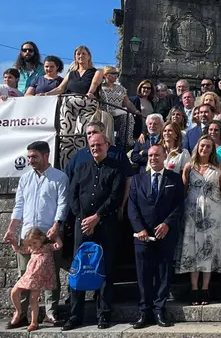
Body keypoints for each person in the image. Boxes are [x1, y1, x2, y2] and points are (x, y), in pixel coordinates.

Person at [63, 133, 126, 331]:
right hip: (83, 226)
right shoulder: (81, 169)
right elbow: (72, 196)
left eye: (99, 144)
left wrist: (96, 217)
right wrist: (83, 219)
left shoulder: (115, 170)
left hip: (106, 225)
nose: (96, 148)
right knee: (78, 269)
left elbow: (115, 197)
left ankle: (103, 315)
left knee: (105, 270)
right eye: (92, 145)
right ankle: (75, 316)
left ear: (107, 145)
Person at [3, 141, 68, 328]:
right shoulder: (25, 179)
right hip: (28, 235)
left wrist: (57, 225)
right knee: (24, 274)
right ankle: (22, 313)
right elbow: (19, 206)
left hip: (48, 234)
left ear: (46, 156)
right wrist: (11, 228)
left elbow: (63, 204)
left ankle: (50, 312)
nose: (30, 160)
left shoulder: (59, 177)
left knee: (50, 275)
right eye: (29, 157)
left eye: (34, 157)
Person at [128, 145, 184, 329]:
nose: (153, 158)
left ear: (164, 156)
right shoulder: (137, 179)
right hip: (142, 236)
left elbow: (179, 206)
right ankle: (144, 312)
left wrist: (167, 223)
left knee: (163, 272)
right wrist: (140, 228)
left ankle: (160, 310)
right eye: (150, 155)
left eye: (156, 155)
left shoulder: (174, 179)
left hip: (166, 234)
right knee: (143, 274)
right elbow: (132, 207)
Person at [176, 136, 221, 305]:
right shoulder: (189, 167)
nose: (205, 149)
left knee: (208, 248)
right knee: (192, 249)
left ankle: (205, 288)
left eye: (208, 146)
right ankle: (193, 288)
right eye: (202, 145)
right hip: (192, 211)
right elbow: (183, 189)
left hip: (213, 212)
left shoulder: (218, 167)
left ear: (213, 149)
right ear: (197, 147)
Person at [42, 46, 104, 168]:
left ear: (89, 56)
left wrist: (90, 92)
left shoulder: (97, 72)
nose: (81, 56)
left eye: (83, 54)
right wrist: (46, 94)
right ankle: (66, 167)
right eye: (78, 54)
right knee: (65, 137)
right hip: (69, 105)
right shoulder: (71, 74)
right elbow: (60, 88)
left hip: (86, 103)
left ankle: (83, 166)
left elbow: (94, 84)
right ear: (75, 57)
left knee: (81, 136)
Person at [6, 227, 63, 331]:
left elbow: (59, 245)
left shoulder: (47, 247)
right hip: (29, 275)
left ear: (41, 239)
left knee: (33, 300)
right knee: (14, 292)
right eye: (30, 244)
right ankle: (18, 311)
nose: (33, 246)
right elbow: (19, 250)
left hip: (39, 277)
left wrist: (56, 236)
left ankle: (34, 322)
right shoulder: (32, 249)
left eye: (34, 243)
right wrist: (14, 243)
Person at [99, 66, 141, 148]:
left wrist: (136, 111)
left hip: (118, 114)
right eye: (113, 73)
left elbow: (127, 102)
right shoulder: (100, 88)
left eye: (116, 74)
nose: (116, 76)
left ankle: (126, 142)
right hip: (104, 115)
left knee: (128, 116)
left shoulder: (120, 88)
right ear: (106, 75)